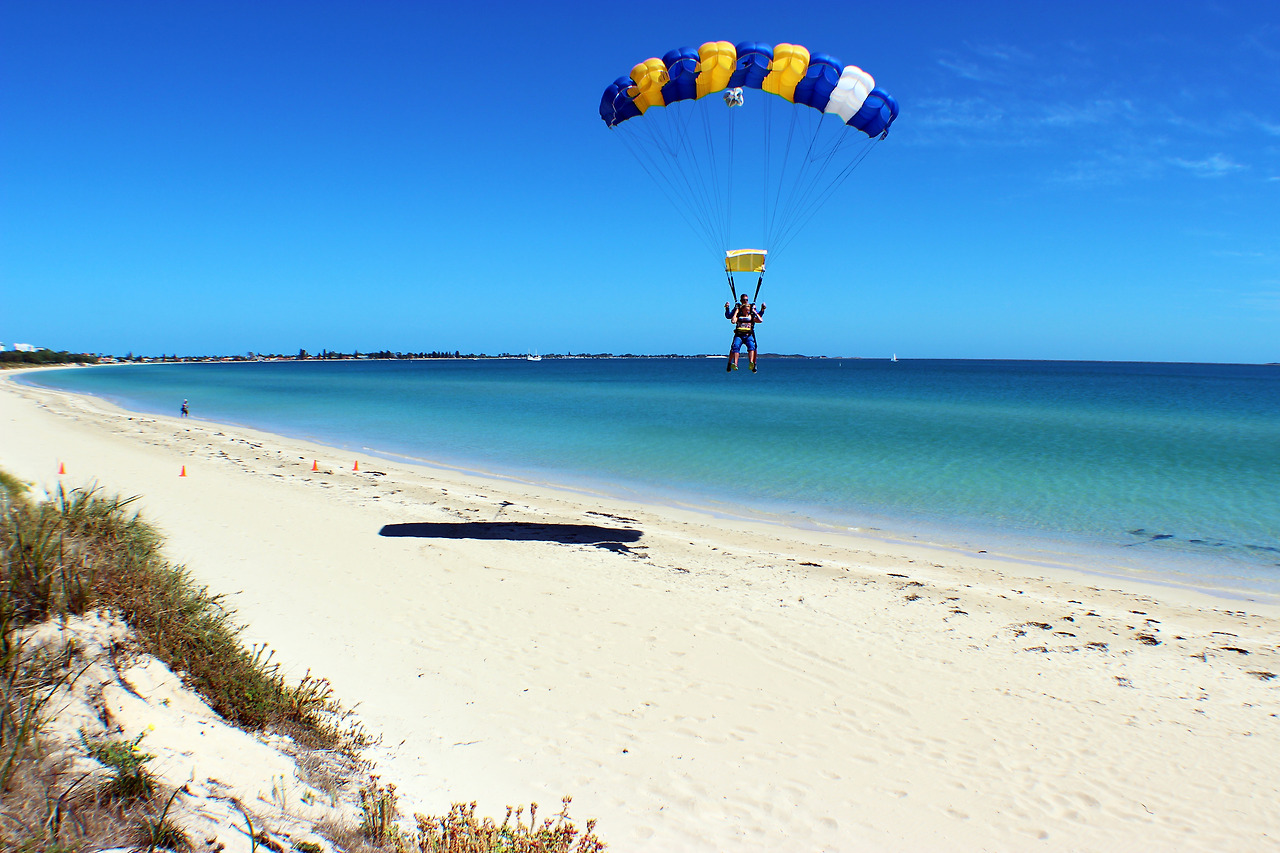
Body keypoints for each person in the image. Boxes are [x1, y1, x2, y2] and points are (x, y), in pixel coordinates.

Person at [724, 292, 765, 372]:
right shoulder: (738, 309)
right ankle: (731, 363)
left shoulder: (751, 308)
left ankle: (753, 364)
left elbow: (759, 317)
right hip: (739, 333)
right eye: (743, 300)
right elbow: (729, 316)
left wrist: (762, 309)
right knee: (734, 347)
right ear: (741, 300)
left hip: (749, 333)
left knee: (753, 347)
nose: (745, 301)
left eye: (746, 300)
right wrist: (727, 308)